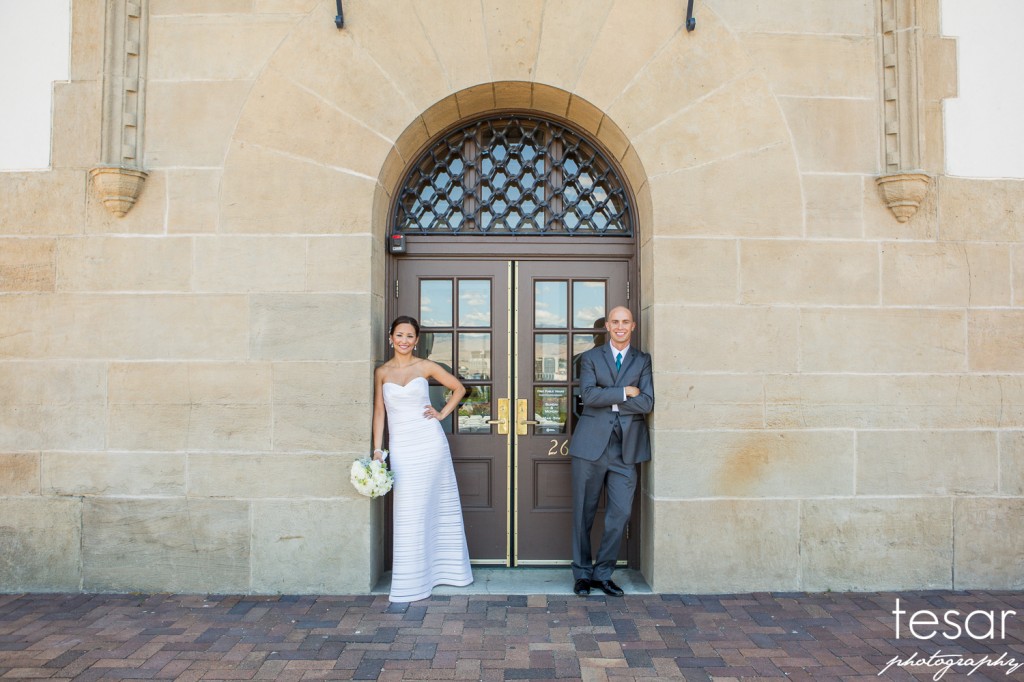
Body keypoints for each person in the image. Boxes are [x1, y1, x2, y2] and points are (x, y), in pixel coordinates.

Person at [372, 315, 474, 602]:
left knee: (434, 505)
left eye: (410, 336)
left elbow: (459, 388)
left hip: (430, 444)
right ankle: (412, 579)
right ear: (390, 337)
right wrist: (378, 450)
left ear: (416, 340)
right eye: (399, 335)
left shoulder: (426, 366)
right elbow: (380, 411)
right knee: (409, 509)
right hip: (402, 447)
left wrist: (442, 414)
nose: (404, 340)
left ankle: (446, 572)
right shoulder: (382, 372)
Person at [568, 306, 654, 597]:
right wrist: (624, 392)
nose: (620, 327)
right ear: (607, 326)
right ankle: (581, 574)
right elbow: (588, 396)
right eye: (615, 322)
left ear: (633, 326)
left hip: (626, 450)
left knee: (620, 513)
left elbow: (647, 403)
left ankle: (603, 574)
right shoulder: (590, 358)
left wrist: (610, 398)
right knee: (583, 513)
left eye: (625, 322)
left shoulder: (643, 360)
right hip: (590, 447)